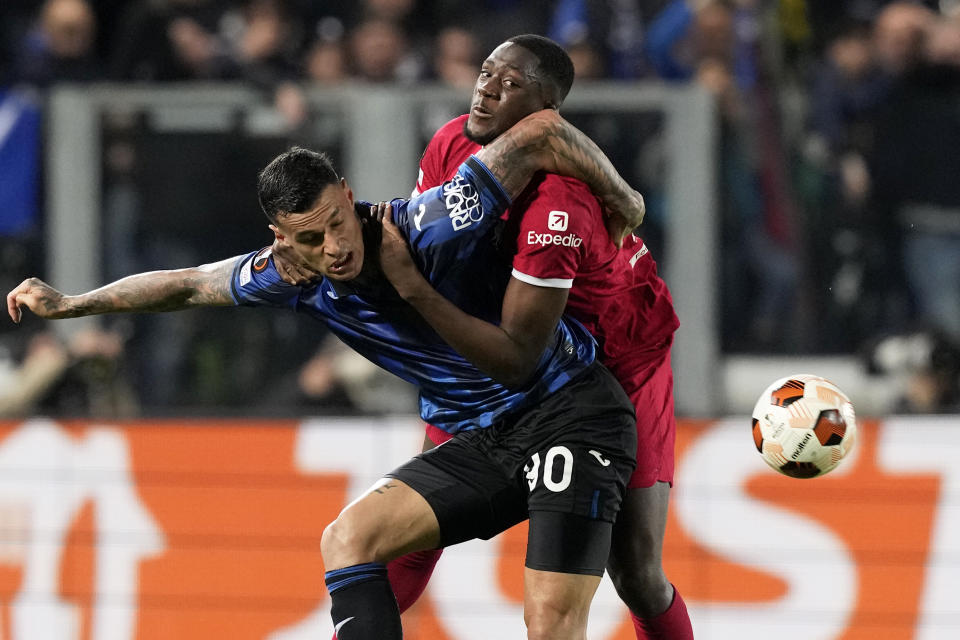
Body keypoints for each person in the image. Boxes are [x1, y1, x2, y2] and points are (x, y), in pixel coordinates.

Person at [8, 109, 645, 639]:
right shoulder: (291, 276)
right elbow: (188, 284)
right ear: (280, 238)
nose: (332, 249)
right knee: (347, 539)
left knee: (549, 622)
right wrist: (72, 303)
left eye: (336, 224)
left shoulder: (426, 223)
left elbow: (537, 134)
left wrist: (621, 196)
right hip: (484, 436)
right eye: (308, 240)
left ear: (347, 193)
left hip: (570, 410)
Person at [368, 33, 693, 640]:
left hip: (621, 366)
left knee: (638, 573)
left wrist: (410, 298)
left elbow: (521, 349)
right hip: (517, 349)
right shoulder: (451, 141)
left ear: (546, 111)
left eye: (510, 82)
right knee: (407, 536)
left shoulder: (561, 199)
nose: (486, 86)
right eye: (486, 71)